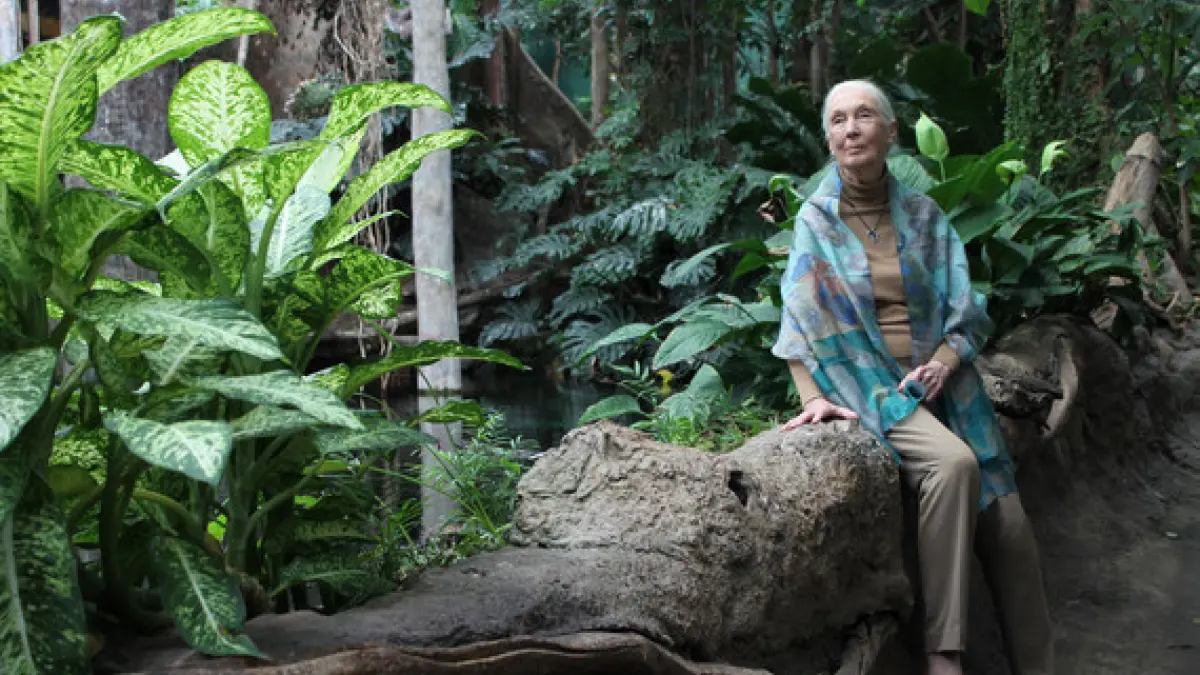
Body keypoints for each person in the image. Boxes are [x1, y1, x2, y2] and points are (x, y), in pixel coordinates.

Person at [771, 79, 1055, 675]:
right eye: (839, 120)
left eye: (864, 116)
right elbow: (798, 319)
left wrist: (944, 364)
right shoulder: (817, 220)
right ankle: (943, 654)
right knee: (954, 466)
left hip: (945, 385)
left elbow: (965, 310)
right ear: (829, 138)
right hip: (867, 387)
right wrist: (812, 396)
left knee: (1009, 526)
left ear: (891, 131)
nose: (851, 129)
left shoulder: (925, 216)